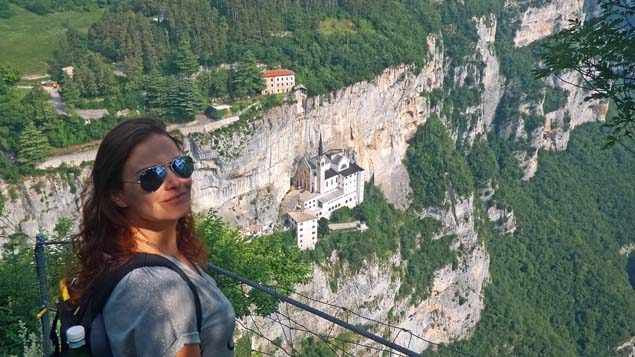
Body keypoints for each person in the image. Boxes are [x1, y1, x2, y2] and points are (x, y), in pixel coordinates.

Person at [70, 118, 236, 356]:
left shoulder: (119, 254)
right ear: (118, 195)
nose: (175, 182)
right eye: (151, 177)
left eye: (180, 165)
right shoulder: (162, 292)